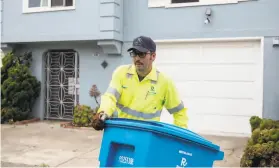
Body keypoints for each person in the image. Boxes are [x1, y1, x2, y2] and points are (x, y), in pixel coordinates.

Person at [92, 36, 188, 131]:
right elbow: (110, 97)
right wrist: (103, 113)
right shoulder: (121, 73)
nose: (137, 58)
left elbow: (179, 112)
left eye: (141, 54)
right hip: (122, 132)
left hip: (148, 137)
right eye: (134, 53)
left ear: (153, 56)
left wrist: (180, 138)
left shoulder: (164, 82)